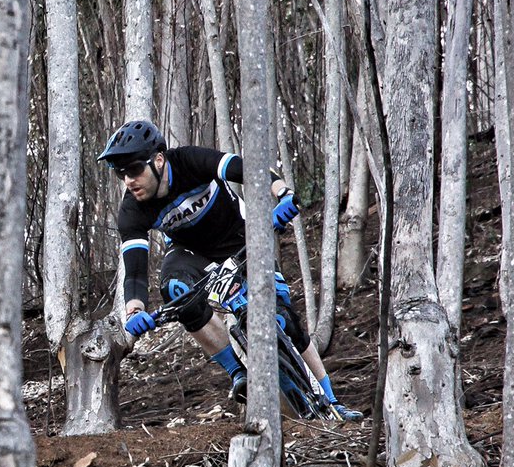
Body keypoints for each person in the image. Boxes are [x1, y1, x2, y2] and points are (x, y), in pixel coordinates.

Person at [99, 119, 362, 421]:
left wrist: (283, 192)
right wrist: (134, 312)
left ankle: (332, 399)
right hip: (192, 254)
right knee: (175, 289)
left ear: (158, 160)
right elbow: (134, 273)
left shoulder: (188, 161)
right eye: (121, 174)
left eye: (133, 169)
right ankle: (238, 373)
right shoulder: (131, 210)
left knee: (284, 318)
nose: (128, 181)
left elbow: (245, 169)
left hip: (240, 237)